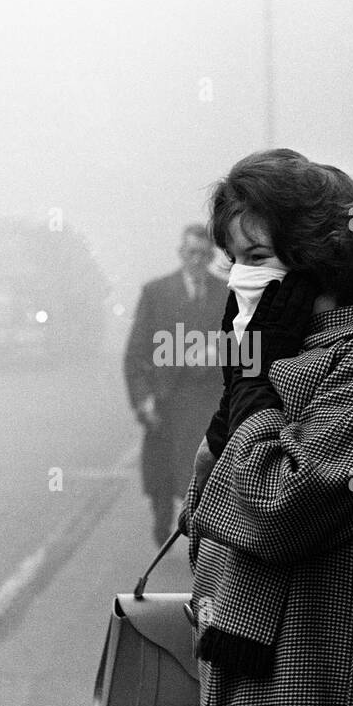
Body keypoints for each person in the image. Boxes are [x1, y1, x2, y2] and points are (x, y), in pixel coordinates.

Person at [179, 148, 353, 706]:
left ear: (319, 259)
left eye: (258, 259)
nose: (239, 276)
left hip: (309, 693)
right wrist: (240, 393)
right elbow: (202, 521)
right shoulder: (285, 351)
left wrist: (256, 384)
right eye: (232, 259)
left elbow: (272, 510)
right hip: (251, 689)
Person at [123, 224, 228, 544]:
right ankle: (162, 515)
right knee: (162, 474)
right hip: (167, 398)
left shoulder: (228, 293)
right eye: (190, 253)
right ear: (181, 254)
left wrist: (222, 350)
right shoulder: (156, 293)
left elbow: (245, 346)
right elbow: (136, 354)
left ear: (211, 256)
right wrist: (144, 400)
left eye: (203, 254)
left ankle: (202, 533)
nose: (196, 260)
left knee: (205, 469)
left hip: (210, 397)